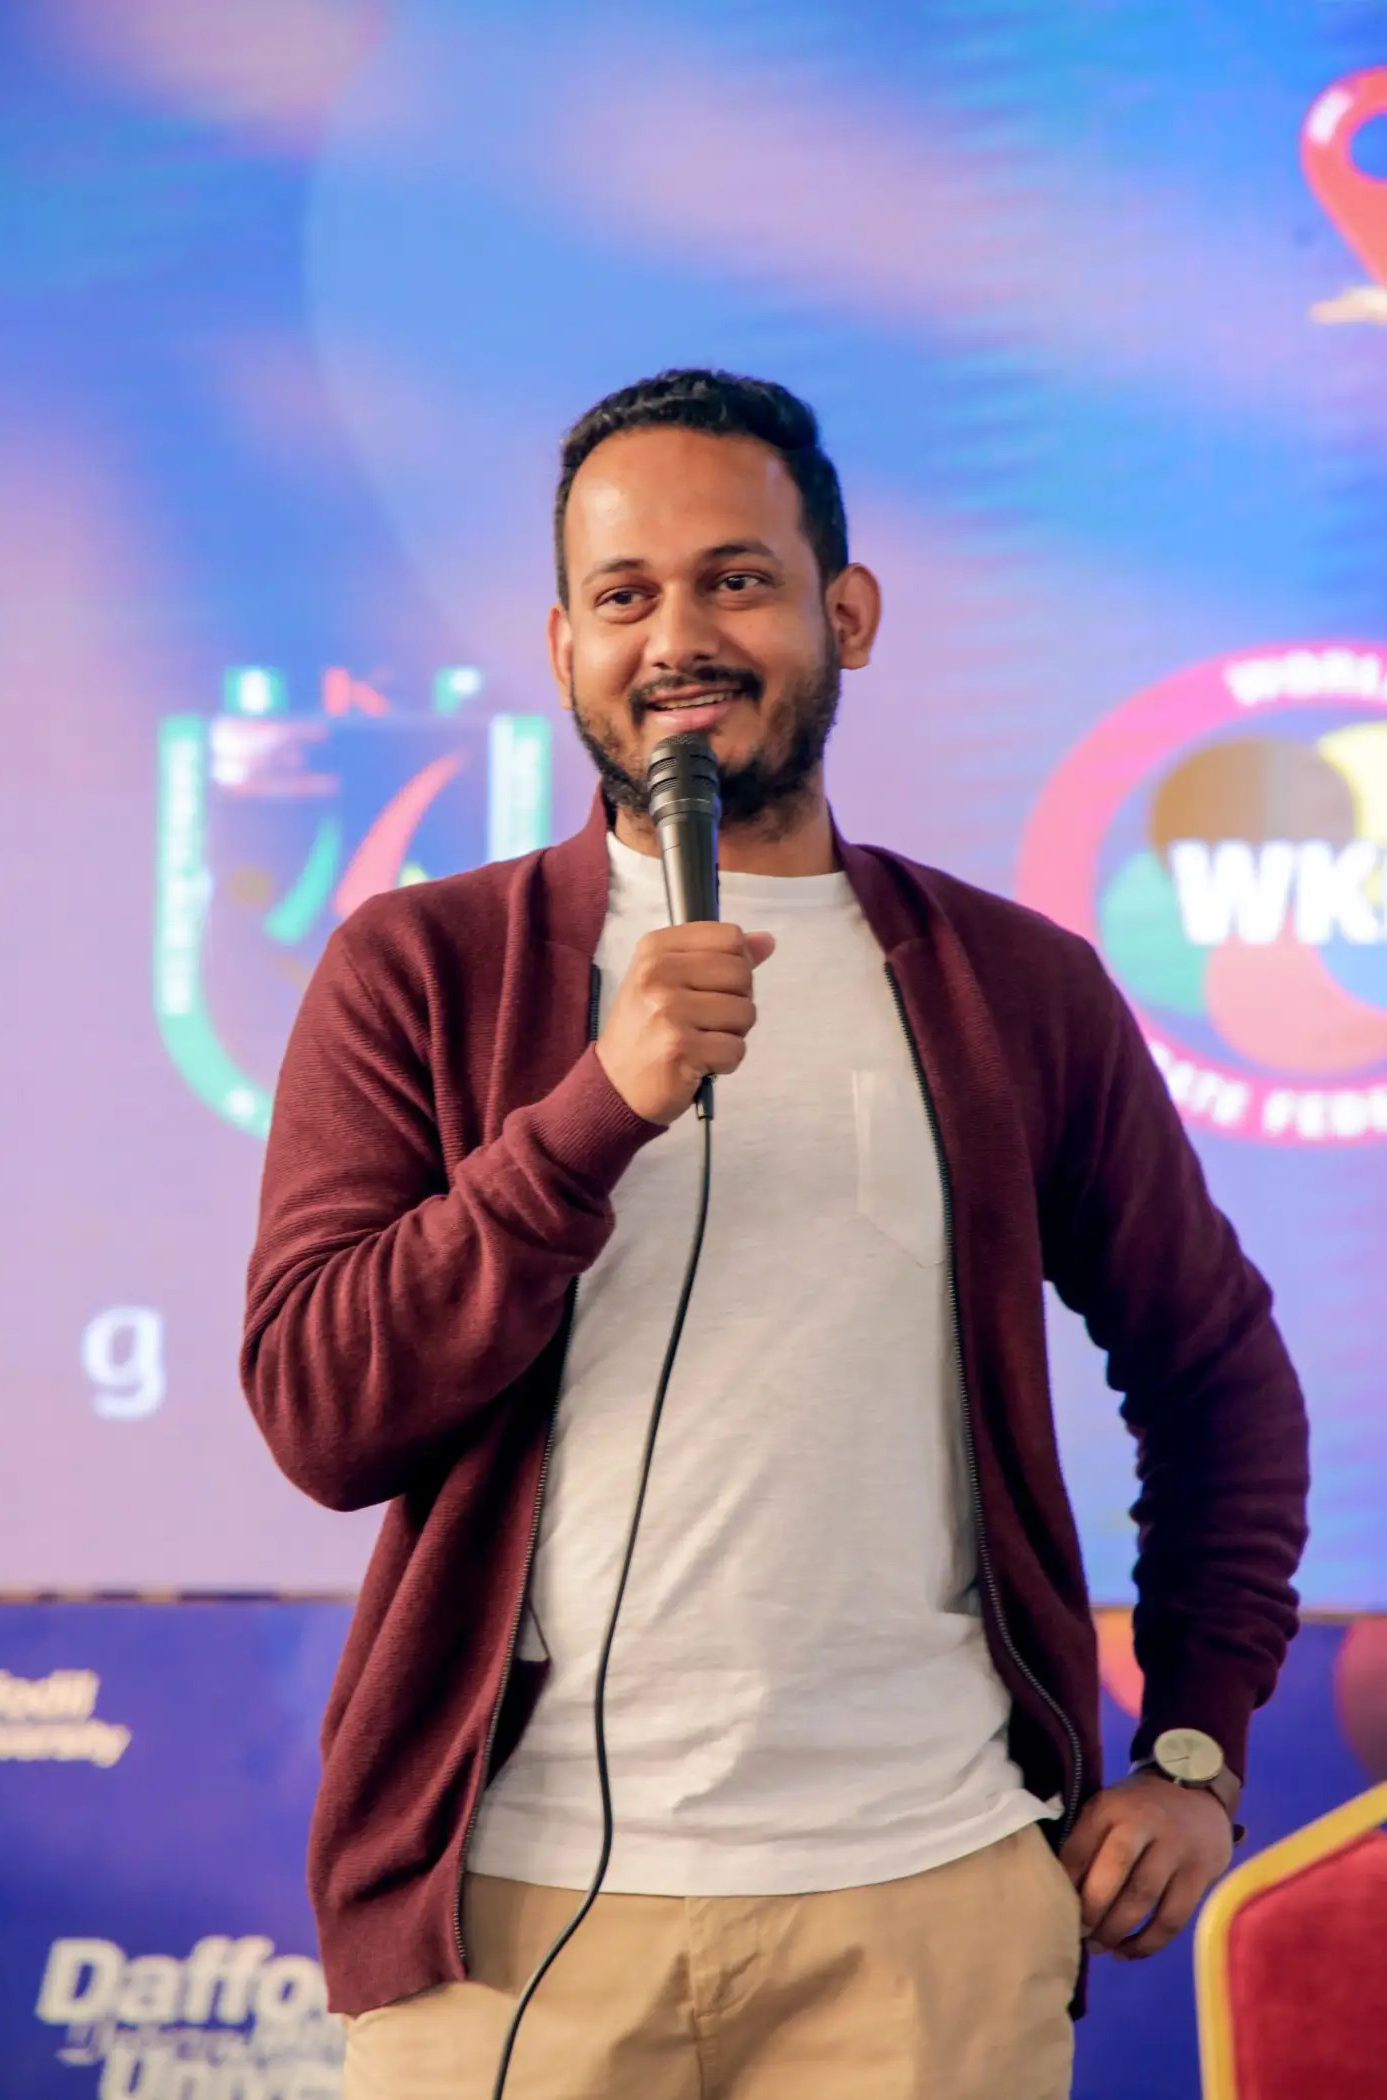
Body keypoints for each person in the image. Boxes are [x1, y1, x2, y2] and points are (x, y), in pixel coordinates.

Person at [241, 369, 1309, 2100]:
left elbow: (1219, 1381)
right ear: (565, 647)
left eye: (735, 580)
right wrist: (597, 1108)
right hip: (508, 1922)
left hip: (929, 1912)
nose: (678, 637)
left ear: (847, 614)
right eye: (624, 596)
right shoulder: (419, 971)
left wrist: (1194, 1744)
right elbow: (320, 1411)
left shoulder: (1017, 990)